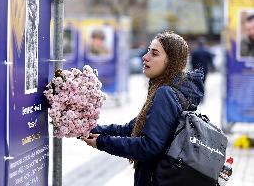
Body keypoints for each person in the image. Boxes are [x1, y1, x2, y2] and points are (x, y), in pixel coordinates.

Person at [82, 31, 205, 186]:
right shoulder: (177, 89)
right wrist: (91, 129)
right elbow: (132, 127)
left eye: (154, 54)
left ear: (171, 62)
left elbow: (150, 147)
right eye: (148, 51)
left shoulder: (165, 93)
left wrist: (102, 142)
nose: (145, 57)